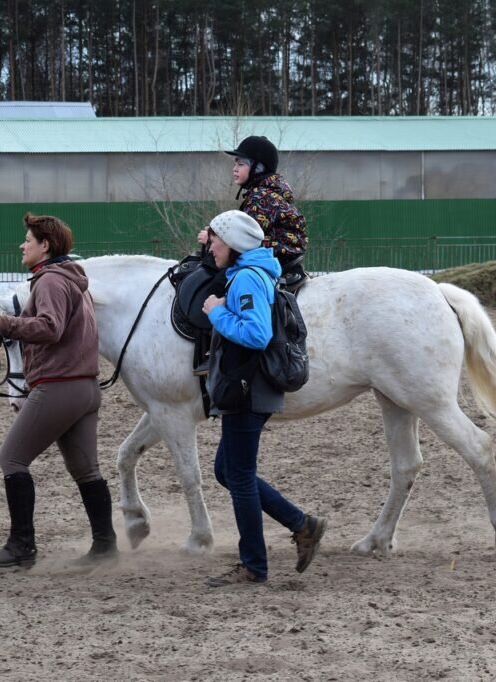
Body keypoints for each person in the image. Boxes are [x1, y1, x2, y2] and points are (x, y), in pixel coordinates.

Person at [0, 214, 117, 568]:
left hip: (60, 387)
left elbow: (50, 328)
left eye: (28, 239)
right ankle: (105, 546)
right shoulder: (73, 281)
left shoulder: (50, 281)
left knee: (11, 459)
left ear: (46, 246)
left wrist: (1, 322)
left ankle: (21, 547)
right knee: (86, 471)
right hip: (85, 389)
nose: (22, 245)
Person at [200, 210, 326, 587]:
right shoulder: (251, 273)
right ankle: (302, 524)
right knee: (228, 471)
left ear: (234, 244)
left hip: (248, 389)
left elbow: (256, 335)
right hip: (251, 388)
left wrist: (217, 313)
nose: (212, 245)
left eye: (217, 239)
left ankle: (254, 565)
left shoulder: (248, 279)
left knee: (237, 476)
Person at [198, 135, 309, 290]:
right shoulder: (265, 193)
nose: (234, 168)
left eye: (241, 164)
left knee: (215, 287)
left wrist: (210, 239)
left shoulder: (261, 197)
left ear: (258, 168)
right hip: (278, 255)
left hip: (273, 258)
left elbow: (243, 240)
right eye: (235, 163)